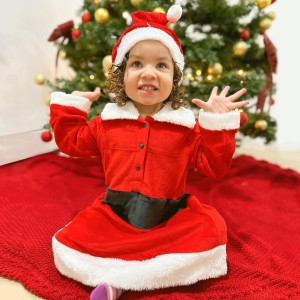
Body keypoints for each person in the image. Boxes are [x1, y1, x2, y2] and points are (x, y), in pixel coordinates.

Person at [50, 5, 249, 300]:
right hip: (115, 214)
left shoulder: (185, 127)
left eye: (161, 66)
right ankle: (120, 282)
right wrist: (73, 106)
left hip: (168, 216)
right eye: (137, 64)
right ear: (122, 74)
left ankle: (127, 280)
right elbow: (72, 142)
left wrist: (216, 124)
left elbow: (213, 166)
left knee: (207, 229)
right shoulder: (107, 122)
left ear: (175, 78)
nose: (149, 73)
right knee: (84, 237)